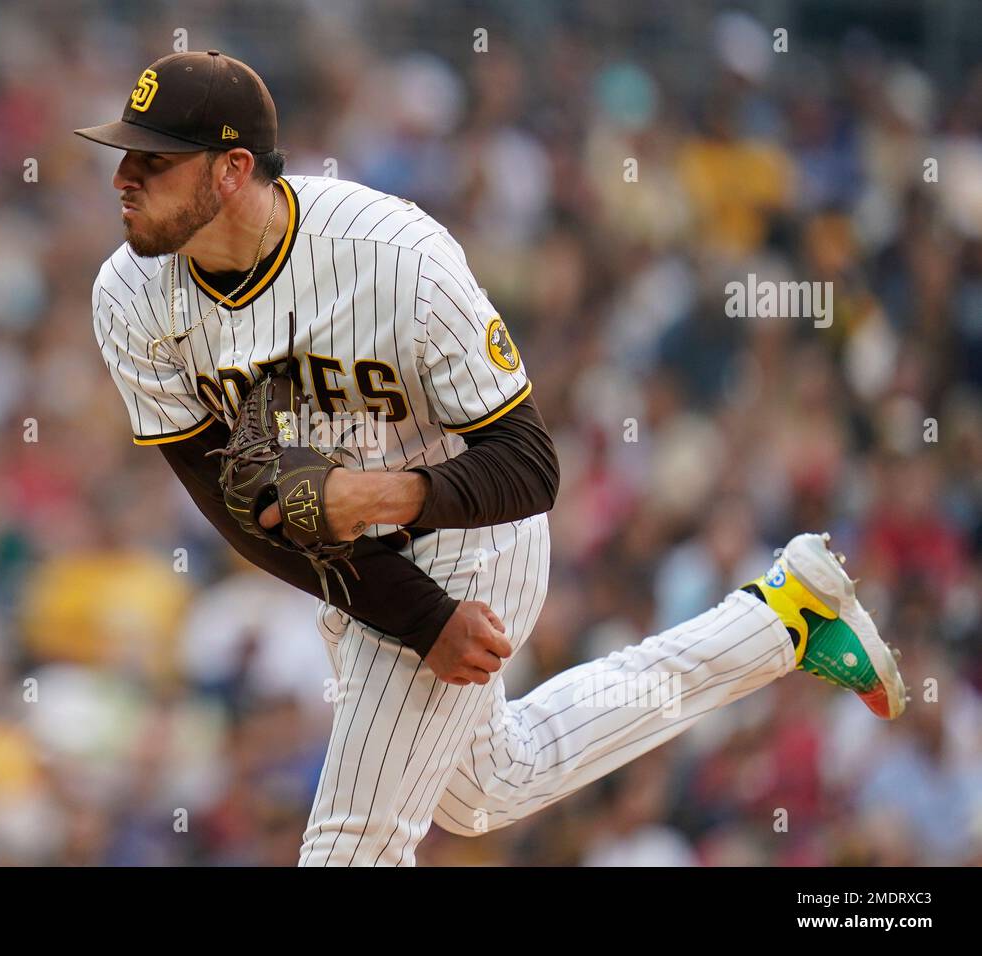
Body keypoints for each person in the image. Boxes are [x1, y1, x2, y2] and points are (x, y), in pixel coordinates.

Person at [77, 50, 906, 866]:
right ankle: (782, 621)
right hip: (352, 562)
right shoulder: (129, 295)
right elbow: (234, 511)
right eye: (125, 157)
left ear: (231, 171)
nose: (124, 178)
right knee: (489, 789)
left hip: (471, 529)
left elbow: (529, 465)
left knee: (352, 846)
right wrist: (415, 612)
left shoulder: (392, 256)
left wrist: (375, 506)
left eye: (154, 161)